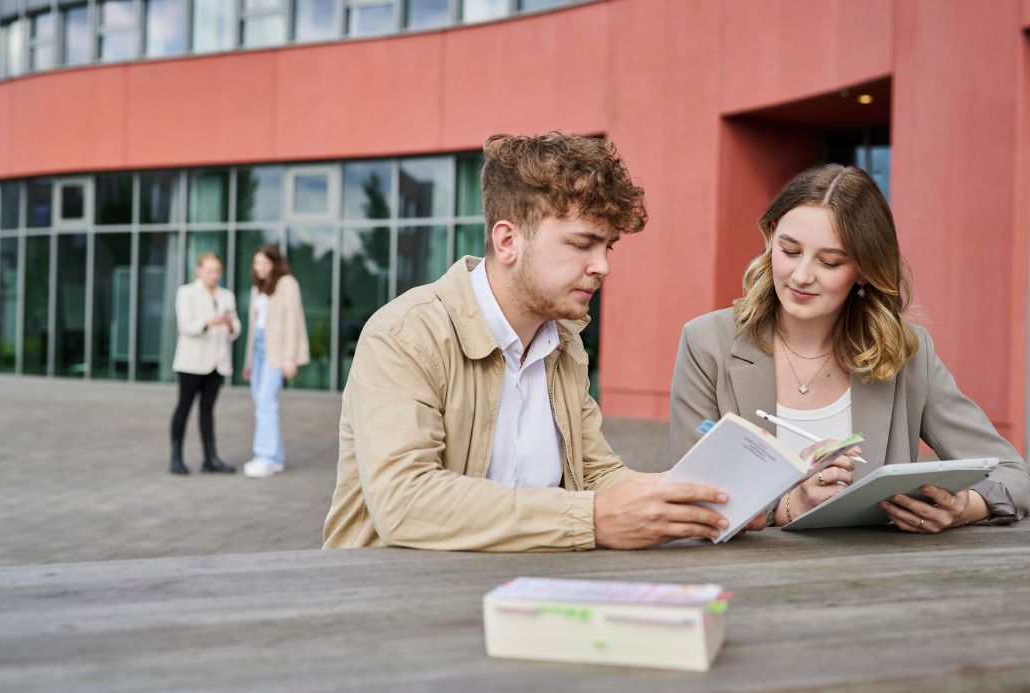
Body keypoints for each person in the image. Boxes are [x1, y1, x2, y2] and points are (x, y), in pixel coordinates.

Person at [322, 132, 765, 551]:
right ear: (508, 240)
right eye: (583, 244)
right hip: (387, 605)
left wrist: (700, 501)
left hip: (508, 593)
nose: (602, 266)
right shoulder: (405, 335)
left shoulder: (564, 342)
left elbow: (596, 474)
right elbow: (405, 503)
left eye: (608, 247)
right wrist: (590, 520)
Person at [670, 164, 1030, 531]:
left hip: (876, 580)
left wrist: (966, 505)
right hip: (750, 580)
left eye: (829, 262)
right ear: (770, 238)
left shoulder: (908, 353)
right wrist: (790, 506)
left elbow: (1013, 474)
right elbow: (695, 496)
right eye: (790, 251)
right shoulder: (706, 343)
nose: (800, 276)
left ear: (863, 268)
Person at [241, 244, 309, 479]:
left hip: (276, 352)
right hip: (258, 351)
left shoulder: (287, 283)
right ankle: (276, 456)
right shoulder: (258, 288)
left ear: (274, 263)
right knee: (260, 402)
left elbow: (293, 321)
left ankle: (266, 457)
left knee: (266, 402)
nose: (259, 268)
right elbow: (254, 328)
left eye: (264, 263)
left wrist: (290, 358)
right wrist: (248, 361)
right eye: (256, 263)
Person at [170, 251, 241, 475]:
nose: (214, 275)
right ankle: (176, 458)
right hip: (191, 363)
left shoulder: (227, 295)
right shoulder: (186, 293)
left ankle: (210, 459)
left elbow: (236, 328)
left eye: (217, 271)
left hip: (217, 363)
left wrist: (230, 325)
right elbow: (185, 326)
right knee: (184, 407)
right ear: (199, 270)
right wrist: (209, 322)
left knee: (207, 410)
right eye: (210, 271)